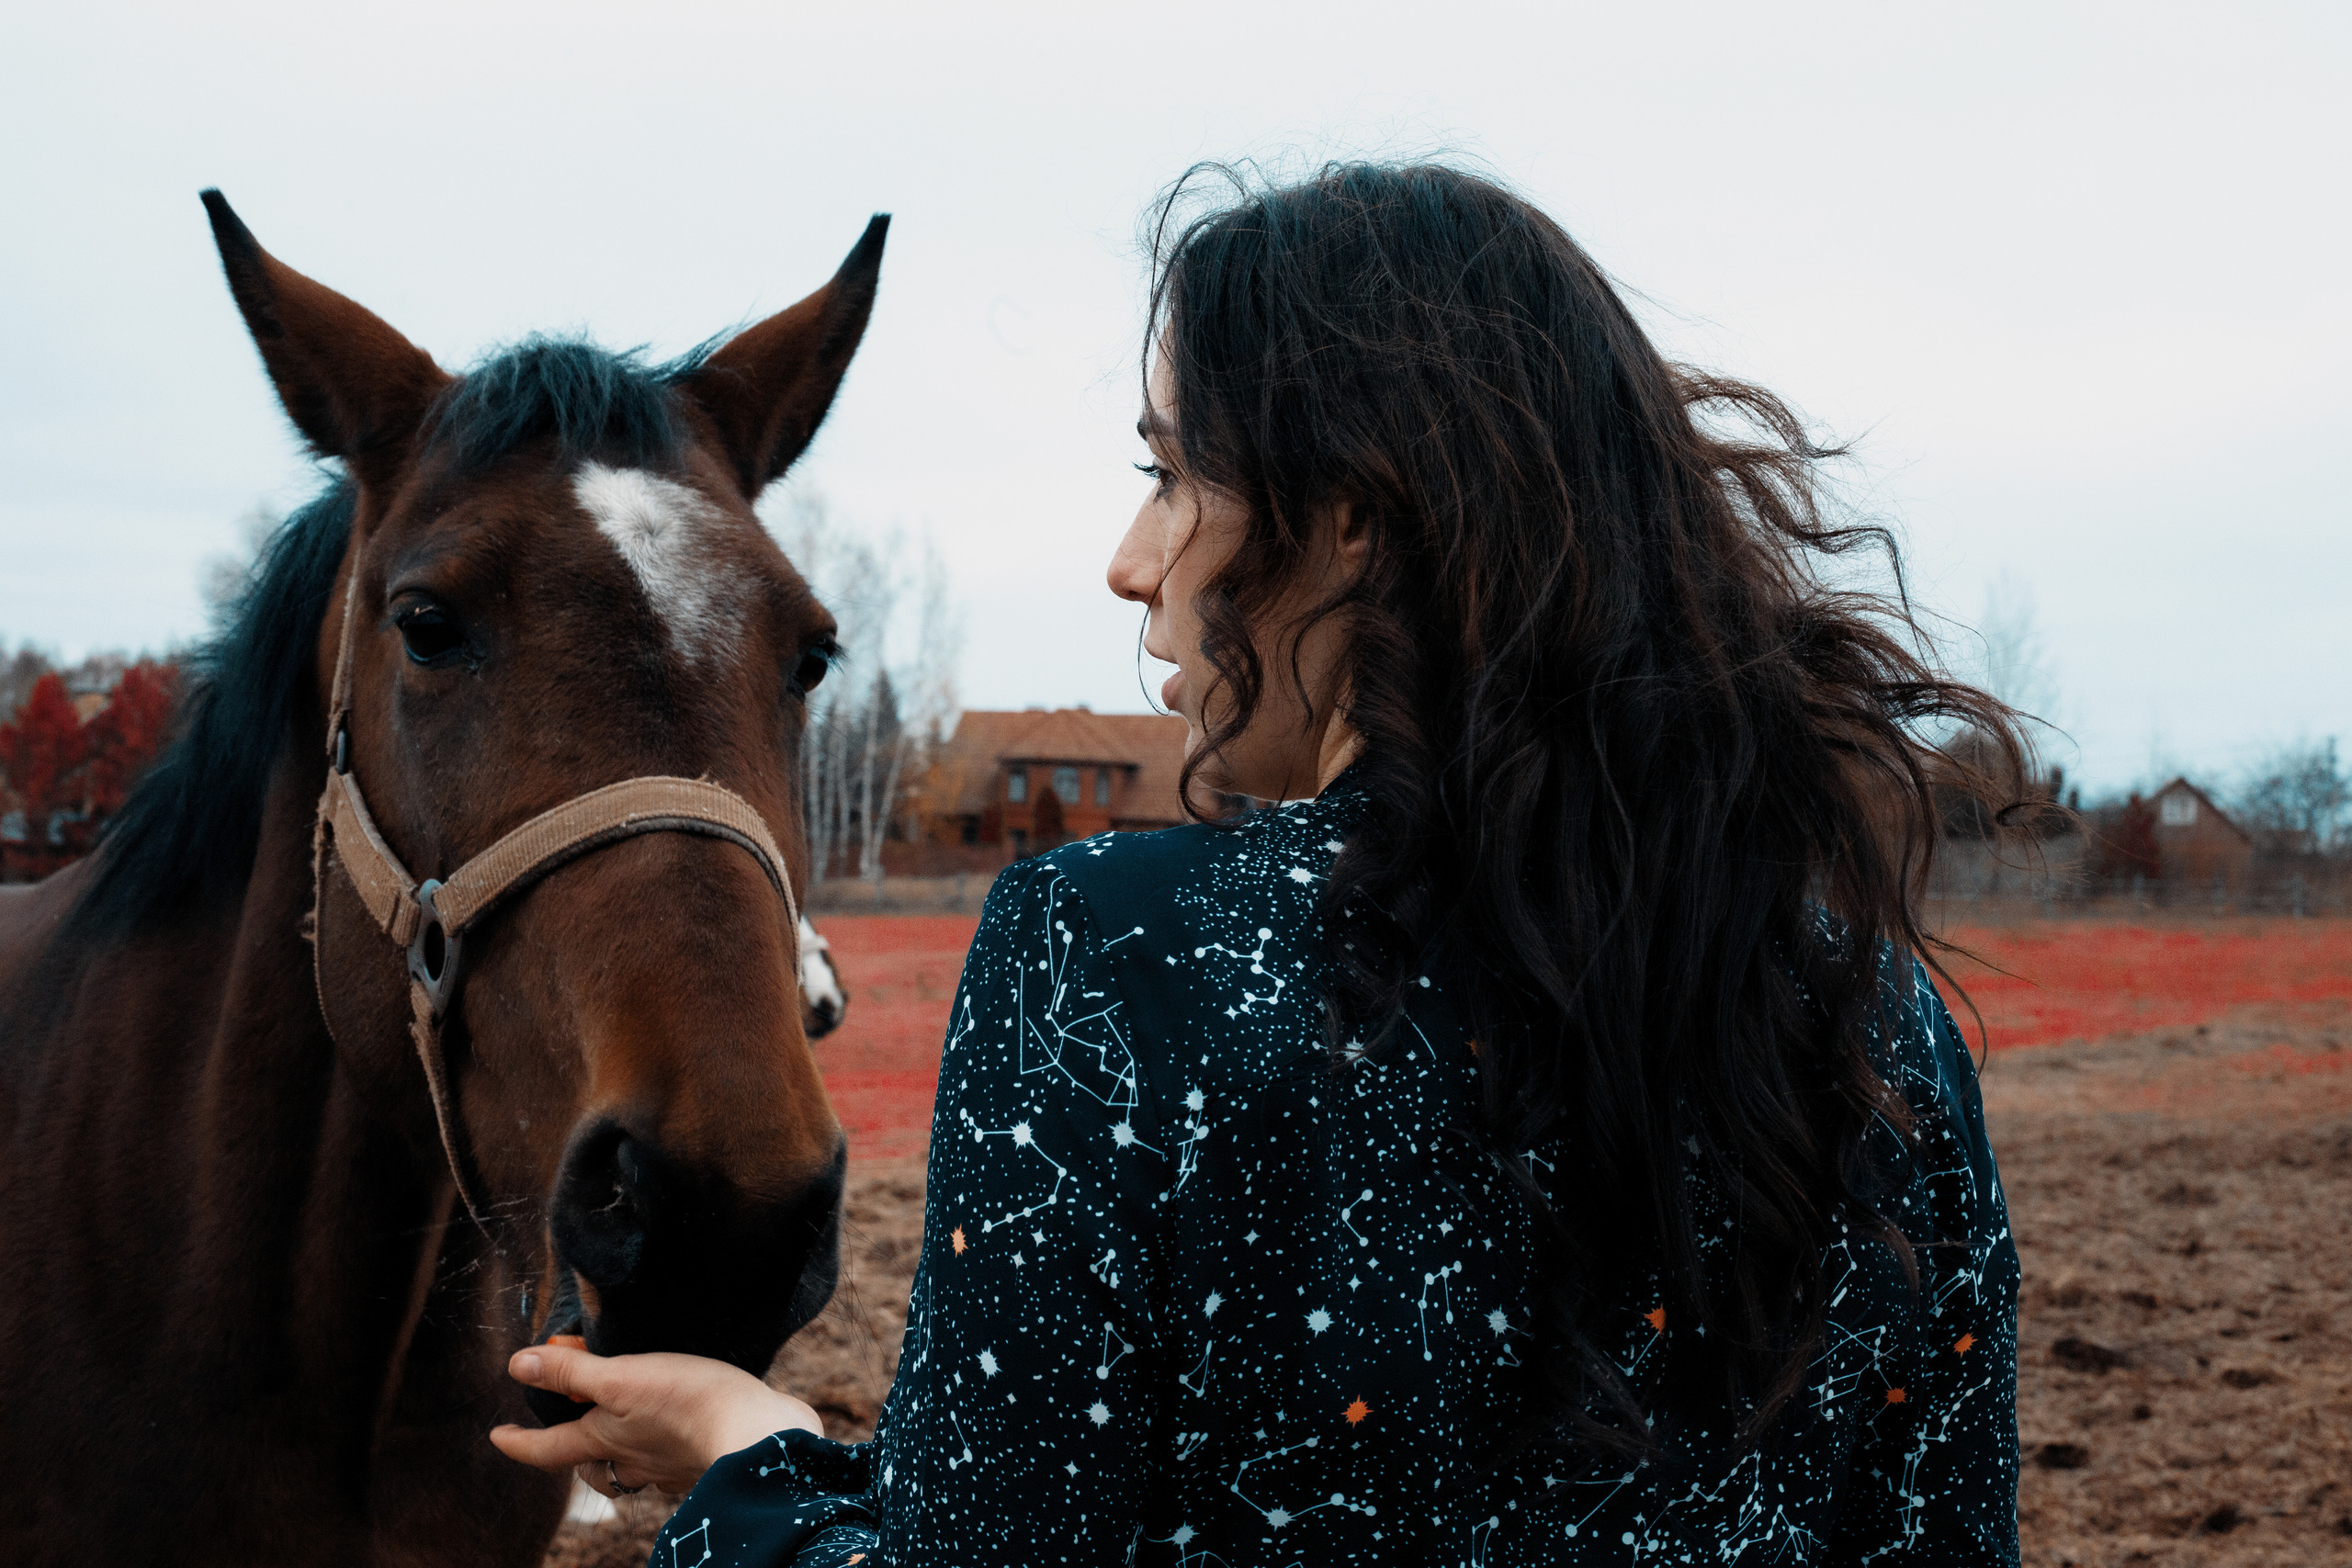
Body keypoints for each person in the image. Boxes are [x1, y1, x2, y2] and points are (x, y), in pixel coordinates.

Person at [491, 161, 2025, 1565]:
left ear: (1350, 519)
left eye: (1170, 478)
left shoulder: (1109, 958)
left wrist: (746, 1452)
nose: (1131, 561)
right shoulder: (1881, 1028)